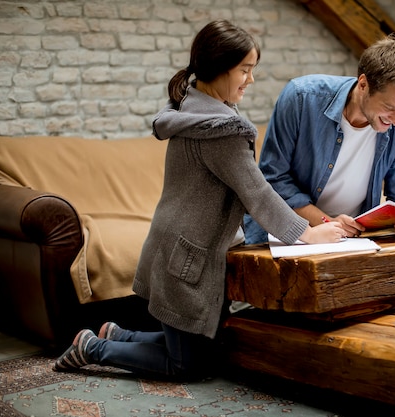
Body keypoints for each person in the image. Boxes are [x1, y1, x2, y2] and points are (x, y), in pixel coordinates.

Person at [52, 19, 345, 380]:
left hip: (174, 243)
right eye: (245, 70)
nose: (250, 80)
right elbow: (257, 193)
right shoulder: (222, 130)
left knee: (200, 346)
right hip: (187, 257)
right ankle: (93, 347)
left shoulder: (190, 107)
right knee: (187, 365)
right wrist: (308, 233)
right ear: (220, 67)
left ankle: (117, 333)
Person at [244, 36, 395, 245]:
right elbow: (274, 179)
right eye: (390, 108)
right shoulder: (301, 98)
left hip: (352, 242)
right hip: (285, 237)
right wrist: (327, 222)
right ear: (363, 85)